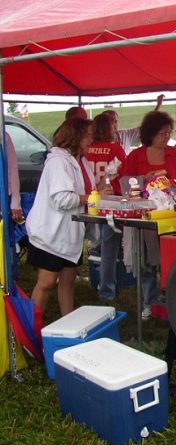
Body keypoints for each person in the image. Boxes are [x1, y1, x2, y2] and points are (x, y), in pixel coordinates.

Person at [122, 110, 176, 320]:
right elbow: (123, 182)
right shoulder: (135, 155)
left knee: (171, 259)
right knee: (146, 261)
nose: (168, 137)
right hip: (145, 218)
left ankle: (174, 301)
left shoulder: (174, 153)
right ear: (151, 133)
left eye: (169, 133)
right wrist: (142, 178)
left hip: (171, 217)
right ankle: (150, 302)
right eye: (164, 133)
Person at [26, 117, 93, 317]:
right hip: (51, 234)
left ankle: (68, 324)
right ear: (76, 137)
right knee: (46, 283)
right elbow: (62, 199)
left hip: (67, 234)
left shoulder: (75, 161)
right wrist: (91, 198)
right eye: (88, 136)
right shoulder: (58, 162)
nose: (91, 140)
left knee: (68, 281)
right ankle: (29, 330)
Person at [86, 113, 128, 302]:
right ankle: (107, 290)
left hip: (88, 200)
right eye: (113, 126)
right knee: (110, 246)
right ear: (108, 128)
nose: (116, 129)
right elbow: (126, 174)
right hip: (110, 201)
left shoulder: (86, 149)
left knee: (95, 244)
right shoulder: (115, 149)